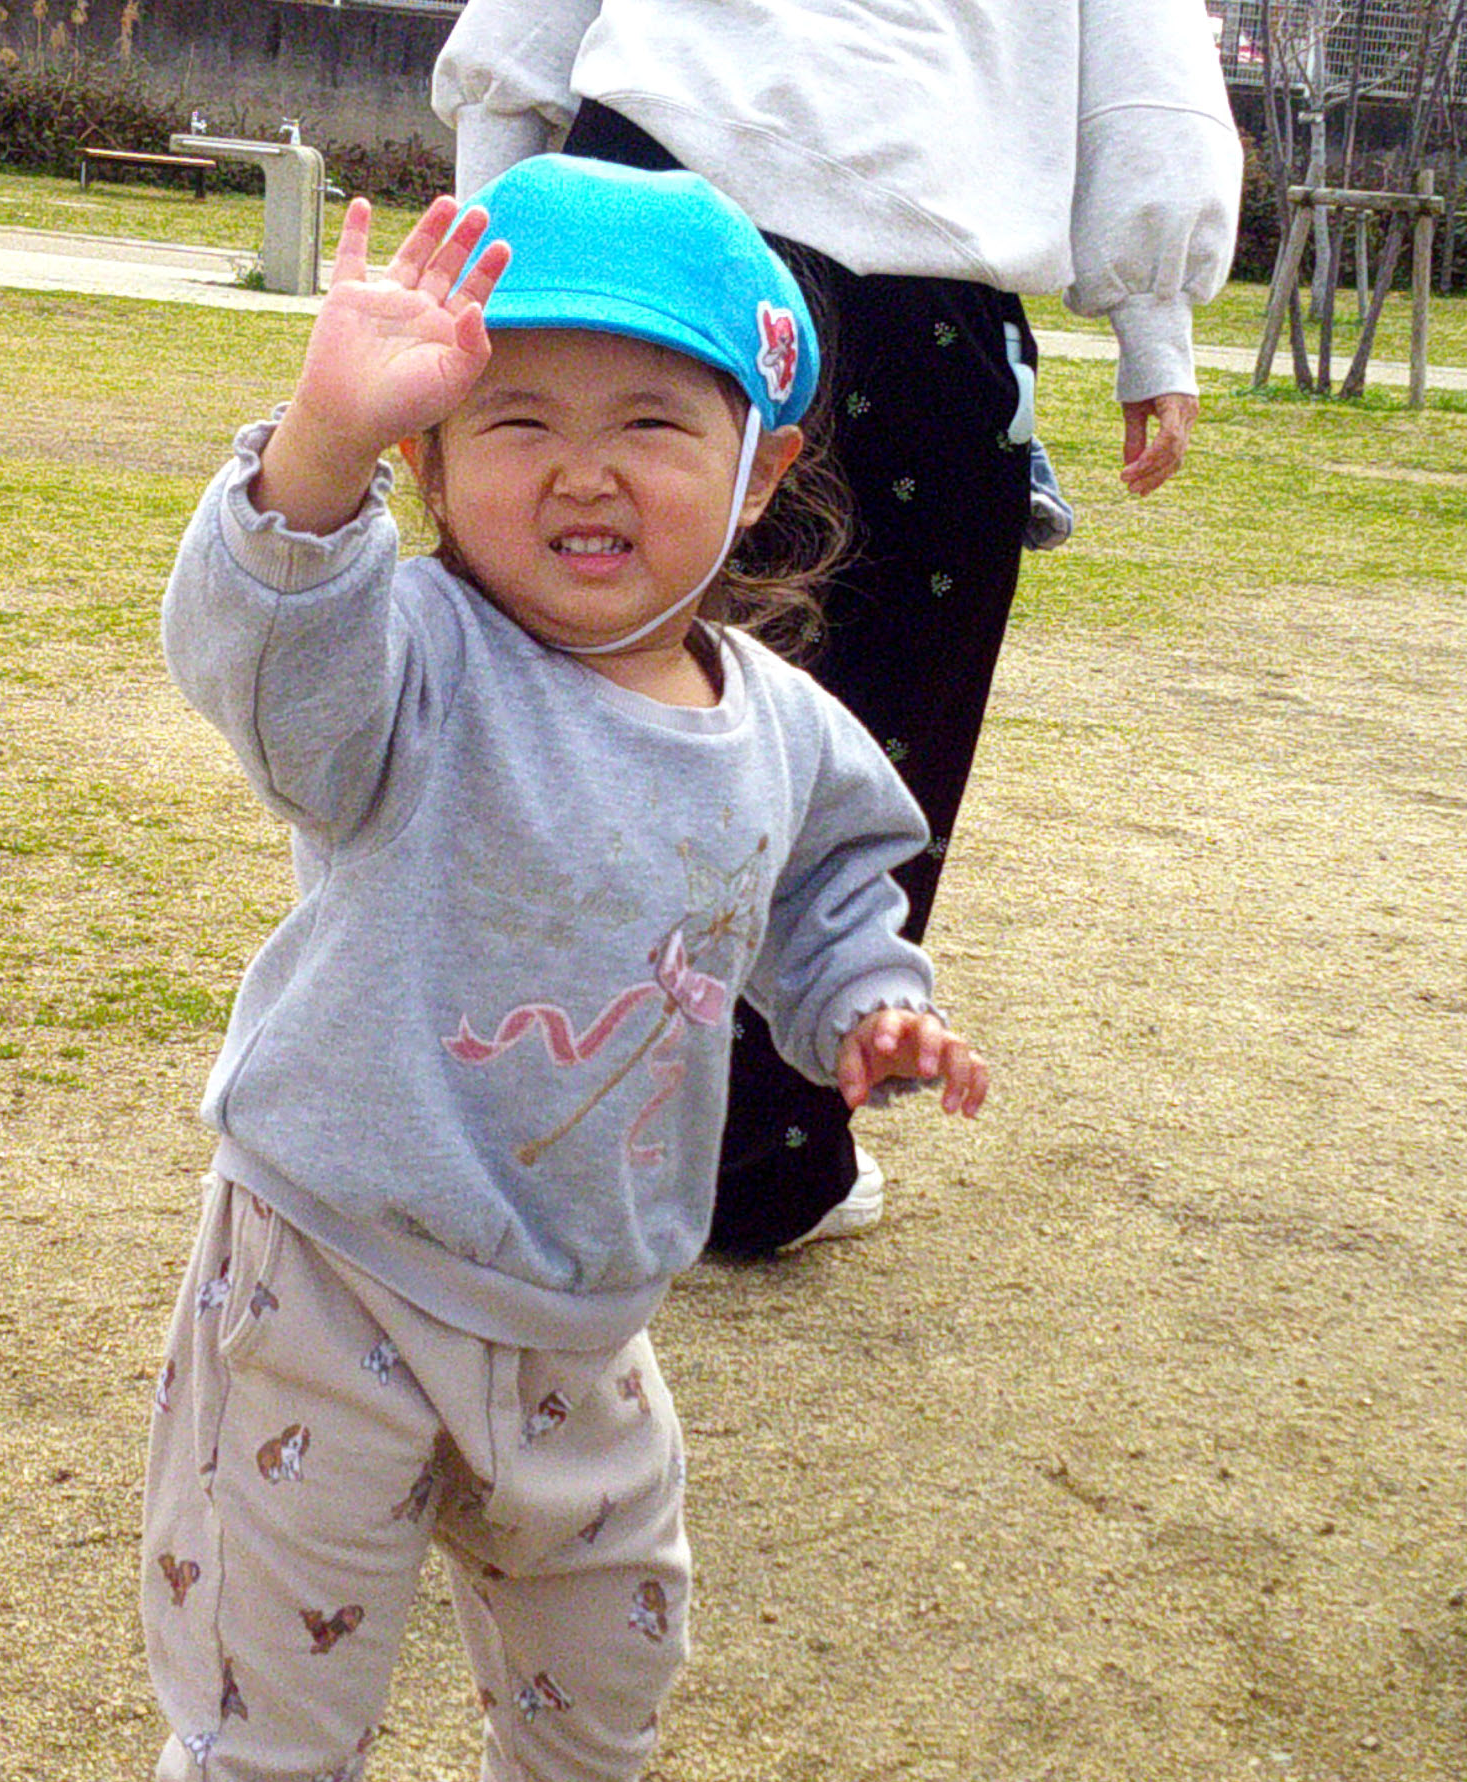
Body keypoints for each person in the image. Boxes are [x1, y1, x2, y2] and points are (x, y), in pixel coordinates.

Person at [105, 156, 990, 1782]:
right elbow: (261, 655)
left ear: (758, 463)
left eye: (650, 423)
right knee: (271, 1714)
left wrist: (867, 1007)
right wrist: (317, 453)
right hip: (330, 1276)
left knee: (608, 1654)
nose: (583, 473)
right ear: (435, 459)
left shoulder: (778, 728)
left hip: (584, 1305)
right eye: (515, 420)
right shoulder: (401, 658)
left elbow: (827, 899)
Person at [435, 0, 1241, 1251]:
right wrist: (1157, 324)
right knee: (870, 720)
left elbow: (518, 41)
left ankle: (487, 1109)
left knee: (551, 686)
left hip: (644, 236)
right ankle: (761, 1158)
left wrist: (489, 242)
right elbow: (1148, 71)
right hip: (922, 271)